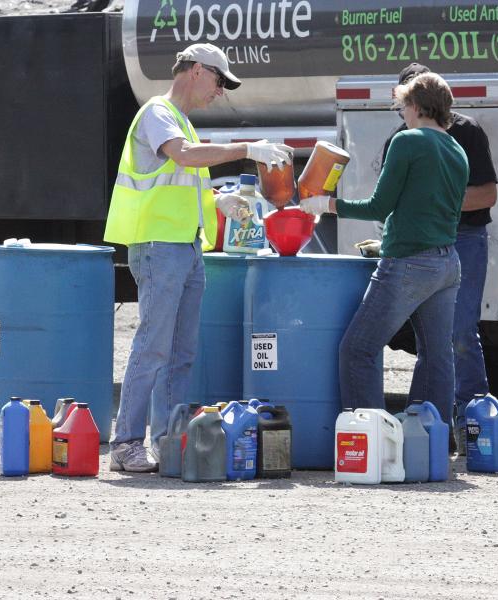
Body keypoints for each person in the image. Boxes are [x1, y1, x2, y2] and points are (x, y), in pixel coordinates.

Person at [103, 43, 292, 472]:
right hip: (159, 247)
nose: (221, 91)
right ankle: (126, 443)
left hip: (185, 247)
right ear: (194, 71)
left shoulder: (181, 123)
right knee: (153, 348)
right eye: (219, 80)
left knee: (180, 353)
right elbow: (183, 159)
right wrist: (247, 148)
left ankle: (168, 442)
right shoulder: (158, 113)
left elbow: (181, 180)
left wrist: (219, 200)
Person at [300, 72, 467, 426]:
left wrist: (327, 205)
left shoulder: (408, 141)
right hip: (447, 263)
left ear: (418, 107)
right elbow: (429, 207)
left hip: (408, 263)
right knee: (437, 356)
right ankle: (435, 439)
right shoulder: (456, 149)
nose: (402, 113)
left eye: (403, 106)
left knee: (357, 349)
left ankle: (368, 440)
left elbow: (379, 206)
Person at [384, 63, 498, 425]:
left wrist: (437, 199)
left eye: (409, 102)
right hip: (420, 243)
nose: (405, 111)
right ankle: (429, 417)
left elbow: (488, 194)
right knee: (430, 336)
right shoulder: (399, 140)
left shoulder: (466, 132)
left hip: (464, 238)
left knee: (460, 330)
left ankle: (471, 416)